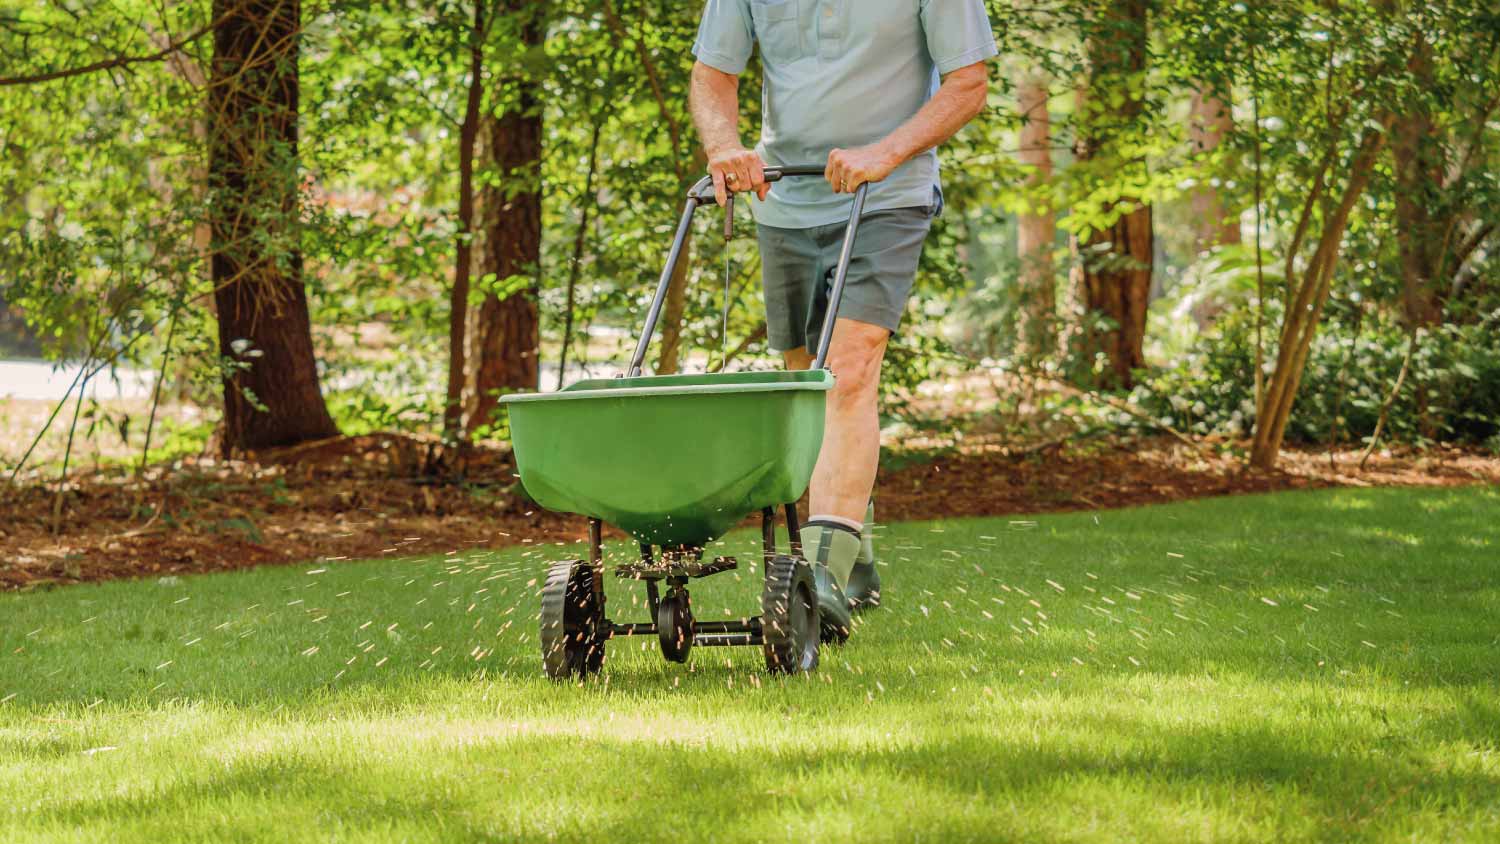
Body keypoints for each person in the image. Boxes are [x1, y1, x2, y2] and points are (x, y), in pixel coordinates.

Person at [689, 1, 996, 638]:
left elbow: (969, 83)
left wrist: (886, 152)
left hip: (888, 194)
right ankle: (854, 557)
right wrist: (724, 146)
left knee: (848, 374)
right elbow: (713, 73)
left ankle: (822, 578)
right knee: (806, 389)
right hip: (784, 199)